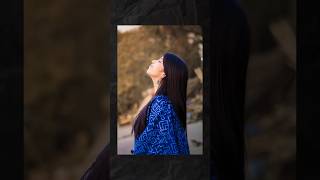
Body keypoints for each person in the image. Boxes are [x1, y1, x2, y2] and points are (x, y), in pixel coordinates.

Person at [131, 52, 190, 155]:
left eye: (159, 61)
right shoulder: (161, 102)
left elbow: (162, 148)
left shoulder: (162, 105)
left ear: (164, 73)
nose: (153, 60)